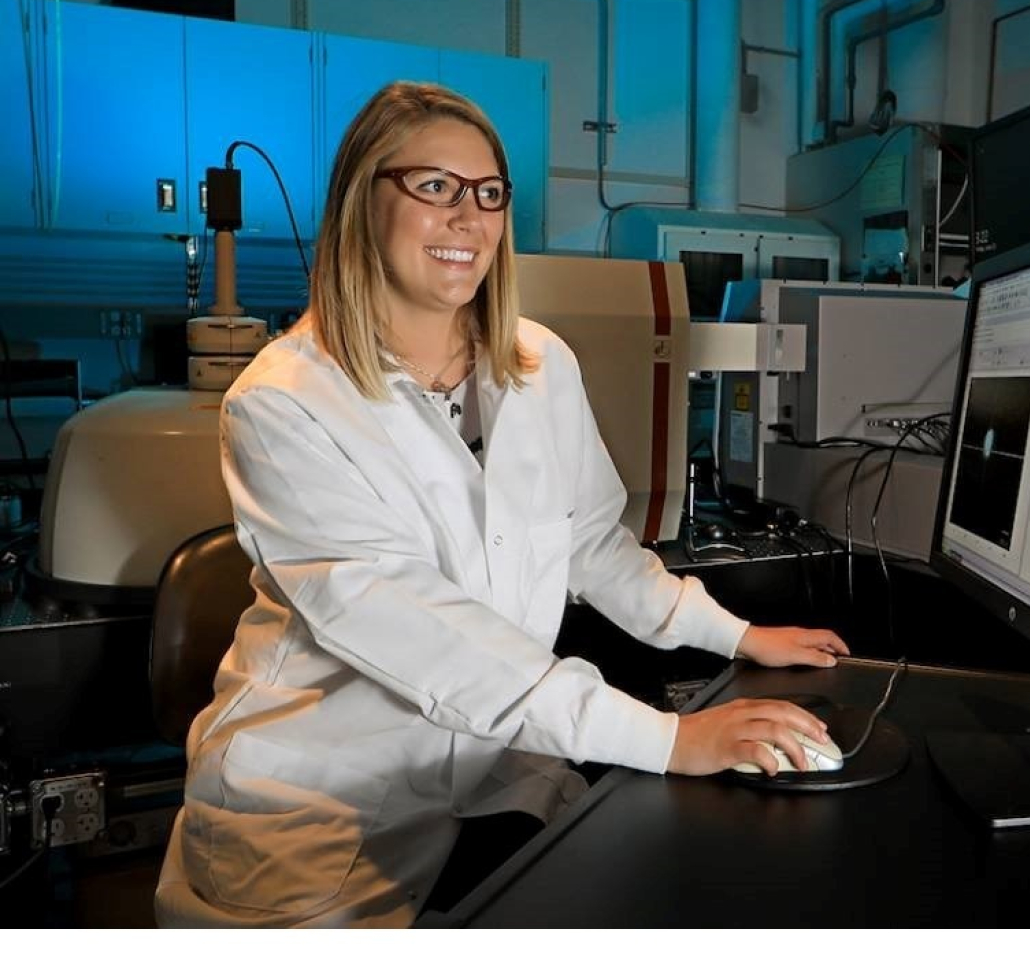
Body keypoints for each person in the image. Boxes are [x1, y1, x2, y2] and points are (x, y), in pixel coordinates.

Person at [154, 81, 849, 927]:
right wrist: (670, 740)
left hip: (474, 774)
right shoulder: (285, 403)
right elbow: (432, 635)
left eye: (488, 194)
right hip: (313, 811)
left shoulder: (536, 362)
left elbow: (591, 543)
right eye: (434, 187)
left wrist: (735, 634)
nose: (468, 219)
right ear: (361, 201)